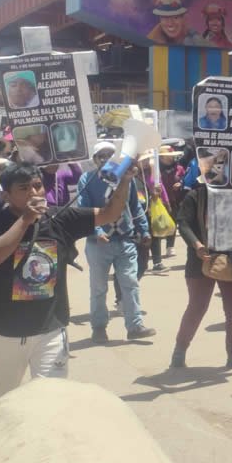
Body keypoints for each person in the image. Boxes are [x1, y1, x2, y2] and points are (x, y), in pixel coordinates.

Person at [0, 161, 135, 400]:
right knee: (2, 402)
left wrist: (125, 181)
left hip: (50, 331)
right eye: (24, 188)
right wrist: (26, 219)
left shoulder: (61, 217)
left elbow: (110, 213)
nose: (34, 193)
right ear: (6, 195)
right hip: (5, 333)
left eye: (37, 186)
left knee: (53, 400)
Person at [77, 143, 156, 344]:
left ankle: (135, 326)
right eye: (101, 156)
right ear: (95, 160)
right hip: (98, 244)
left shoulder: (126, 179)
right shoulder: (86, 180)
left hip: (125, 239)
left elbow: (135, 207)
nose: (106, 159)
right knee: (98, 287)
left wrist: (144, 230)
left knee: (130, 283)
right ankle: (99, 327)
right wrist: (96, 231)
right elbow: (84, 210)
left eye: (110, 155)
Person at [171, 176, 232, 371]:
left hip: (231, 258)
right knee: (197, 307)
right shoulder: (195, 196)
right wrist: (196, 244)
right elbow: (183, 223)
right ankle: (180, 349)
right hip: (201, 259)